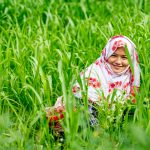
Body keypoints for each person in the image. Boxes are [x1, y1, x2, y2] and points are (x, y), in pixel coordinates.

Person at [46, 35, 140, 128]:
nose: (118, 62)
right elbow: (81, 100)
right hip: (87, 114)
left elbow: (132, 101)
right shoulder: (94, 71)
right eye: (114, 55)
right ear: (106, 55)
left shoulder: (131, 75)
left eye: (124, 57)